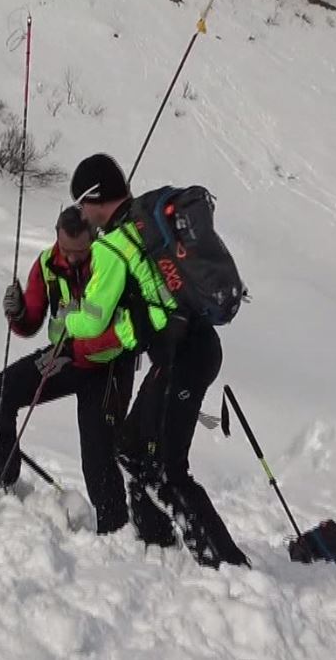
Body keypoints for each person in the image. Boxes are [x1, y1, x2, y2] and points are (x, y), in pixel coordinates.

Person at [66, 153, 248, 568]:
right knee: (130, 447)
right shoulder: (142, 220)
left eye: (81, 204)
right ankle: (156, 540)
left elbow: (92, 321)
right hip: (184, 352)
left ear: (95, 199)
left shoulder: (113, 245)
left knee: (169, 466)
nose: (81, 213)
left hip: (186, 357)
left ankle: (226, 565)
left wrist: (66, 319)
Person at [0, 205, 137, 535]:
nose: (74, 258)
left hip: (108, 365)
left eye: (80, 252)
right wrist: (17, 311)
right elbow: (31, 321)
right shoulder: (48, 265)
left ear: (92, 239)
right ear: (57, 238)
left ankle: (116, 531)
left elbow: (117, 327)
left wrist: (80, 342)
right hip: (66, 357)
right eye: (67, 250)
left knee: (97, 455)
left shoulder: (107, 263)